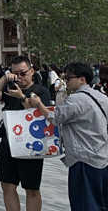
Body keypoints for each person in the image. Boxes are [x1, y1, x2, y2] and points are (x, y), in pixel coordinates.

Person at [27, 62, 108, 211]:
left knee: (84, 204)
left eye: (69, 78)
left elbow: (55, 118)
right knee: (101, 203)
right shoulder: (102, 97)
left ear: (82, 79)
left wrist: (39, 104)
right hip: (102, 158)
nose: (66, 81)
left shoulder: (76, 99)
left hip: (83, 160)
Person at [0, 55, 51, 211]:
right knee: (7, 185)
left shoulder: (41, 91)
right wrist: (5, 78)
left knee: (31, 189)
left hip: (31, 145)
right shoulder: (11, 88)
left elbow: (39, 114)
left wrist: (22, 97)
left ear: (32, 71)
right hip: (8, 143)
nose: (19, 77)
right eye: (15, 74)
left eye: (23, 73)